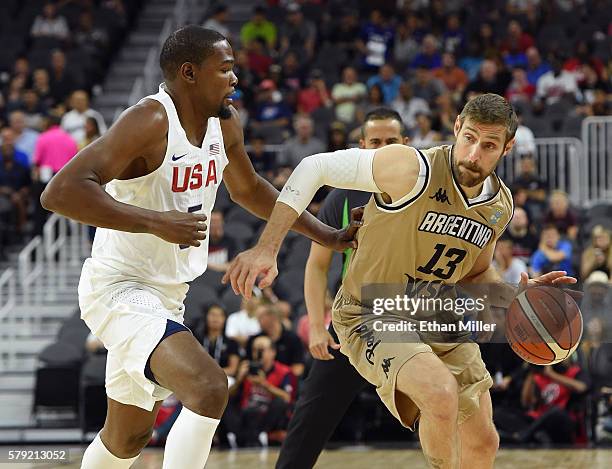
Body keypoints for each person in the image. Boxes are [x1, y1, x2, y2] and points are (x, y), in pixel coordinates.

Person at [39, 26, 357, 469]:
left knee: (127, 437)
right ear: (189, 73)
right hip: (119, 288)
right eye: (225, 69)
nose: (235, 79)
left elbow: (249, 189)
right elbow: (60, 192)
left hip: (170, 295)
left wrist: (325, 233)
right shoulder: (149, 120)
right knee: (209, 387)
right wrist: (153, 221)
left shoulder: (224, 122)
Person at [225, 93, 576, 469]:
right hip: (370, 311)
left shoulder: (499, 206)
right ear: (457, 127)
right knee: (439, 394)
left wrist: (514, 294)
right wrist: (268, 246)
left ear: (507, 148)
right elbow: (313, 167)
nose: (474, 154)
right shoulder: (411, 168)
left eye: (488, 145)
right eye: (469, 138)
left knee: (483, 440)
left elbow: (474, 275)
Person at [277, 107, 409, 469]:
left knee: (444, 407)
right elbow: (317, 266)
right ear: (362, 146)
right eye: (376, 142)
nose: (383, 149)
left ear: (406, 145)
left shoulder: (425, 192)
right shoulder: (342, 195)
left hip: (413, 312)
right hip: (358, 317)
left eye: (391, 142)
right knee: (311, 415)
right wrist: (317, 327)